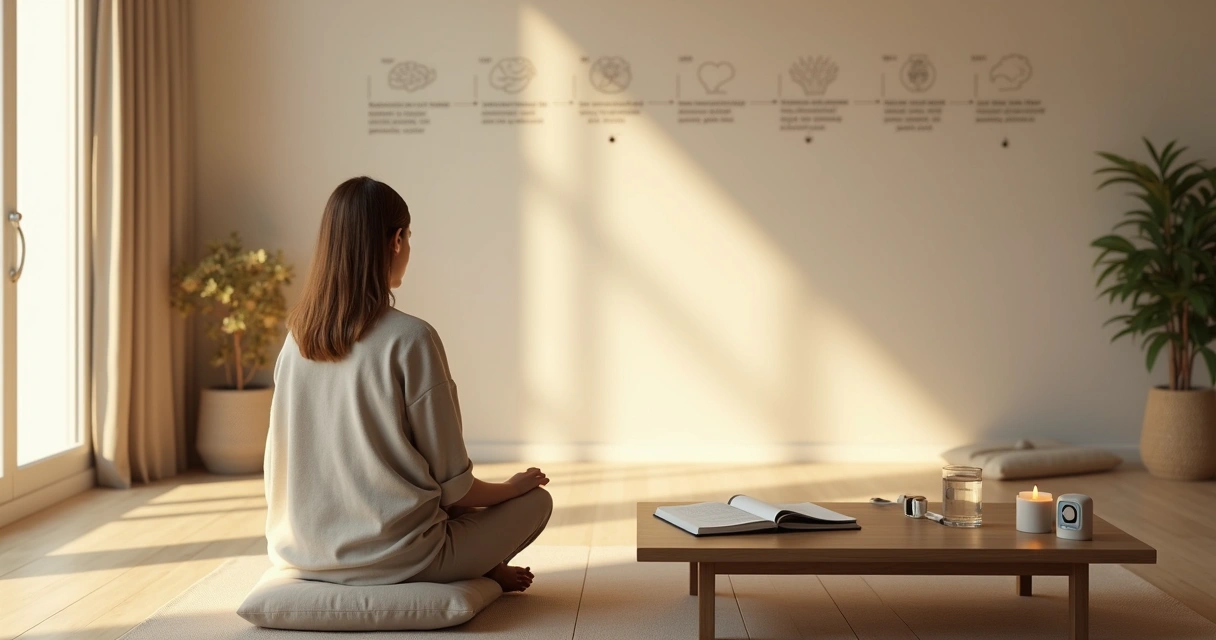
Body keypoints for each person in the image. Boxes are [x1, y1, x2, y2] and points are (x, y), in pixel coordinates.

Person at [264, 176, 551, 592]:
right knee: (536, 501)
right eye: (409, 237)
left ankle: (485, 567)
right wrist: (510, 488)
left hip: (303, 554)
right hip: (406, 560)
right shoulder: (412, 339)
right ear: (397, 240)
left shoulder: (295, 342)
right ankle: (480, 565)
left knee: (422, 486)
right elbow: (455, 490)